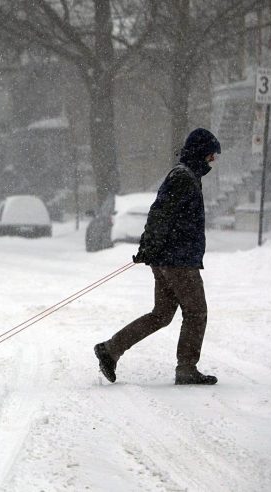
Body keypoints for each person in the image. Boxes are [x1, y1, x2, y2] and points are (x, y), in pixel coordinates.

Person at [94, 128, 221, 386]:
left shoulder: (186, 176)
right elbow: (159, 212)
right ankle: (186, 368)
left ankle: (110, 350)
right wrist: (149, 245)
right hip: (178, 261)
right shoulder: (182, 177)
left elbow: (163, 213)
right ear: (200, 152)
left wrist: (151, 249)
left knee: (161, 314)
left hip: (170, 258)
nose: (212, 161)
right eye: (210, 155)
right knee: (196, 312)